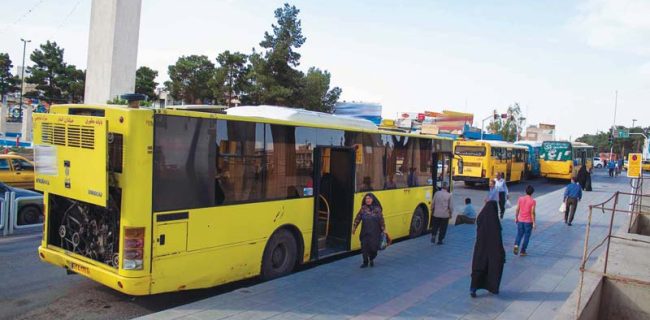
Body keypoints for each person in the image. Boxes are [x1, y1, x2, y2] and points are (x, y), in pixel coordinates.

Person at [470, 194, 506, 298]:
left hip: (480, 248)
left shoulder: (481, 216)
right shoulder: (495, 222)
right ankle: (492, 287)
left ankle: (473, 289)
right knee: (493, 268)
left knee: (478, 268)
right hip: (493, 250)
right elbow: (499, 240)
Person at [352, 193, 385, 268]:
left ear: (373, 200)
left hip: (375, 232)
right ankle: (365, 262)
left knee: (373, 248)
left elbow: (381, 220)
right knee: (364, 247)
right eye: (366, 198)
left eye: (369, 198)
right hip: (365, 232)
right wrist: (354, 227)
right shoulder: (363, 209)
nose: (368, 200)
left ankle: (371, 258)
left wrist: (384, 229)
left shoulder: (377, 209)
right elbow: (358, 218)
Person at [514, 185, 537, 256]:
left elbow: (517, 209)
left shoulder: (520, 199)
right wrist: (534, 223)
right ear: (532, 193)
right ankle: (522, 251)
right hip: (528, 221)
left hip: (520, 220)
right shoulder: (533, 201)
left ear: (525, 191)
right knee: (526, 236)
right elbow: (532, 212)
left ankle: (516, 245)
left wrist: (516, 217)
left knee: (519, 234)